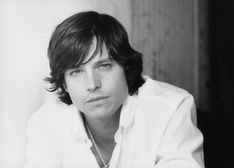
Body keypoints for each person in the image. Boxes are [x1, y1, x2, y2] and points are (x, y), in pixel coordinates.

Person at [25, 11, 204, 168]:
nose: (92, 84)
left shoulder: (170, 110)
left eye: (103, 66)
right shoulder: (45, 124)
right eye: (76, 72)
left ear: (125, 67)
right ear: (64, 83)